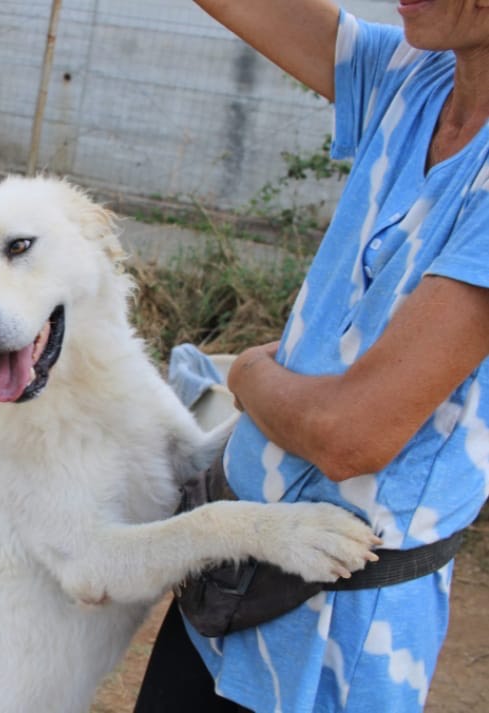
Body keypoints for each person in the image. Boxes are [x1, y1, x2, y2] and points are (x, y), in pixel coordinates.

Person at [133, 1, 489, 711]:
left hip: (333, 636)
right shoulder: (414, 80)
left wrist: (248, 374)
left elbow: (348, 434)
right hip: (229, 577)